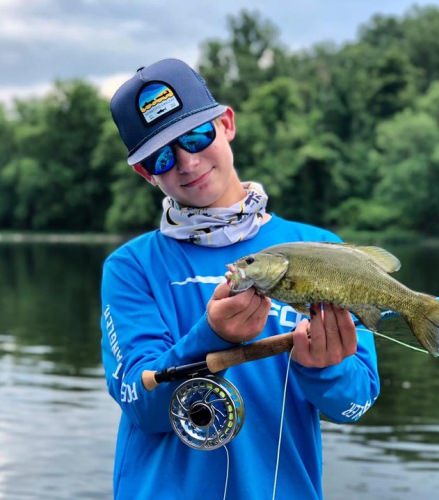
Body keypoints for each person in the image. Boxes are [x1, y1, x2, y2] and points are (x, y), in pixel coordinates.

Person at [101, 58, 380, 500]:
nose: (187, 162)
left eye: (196, 136)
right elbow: (143, 407)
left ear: (226, 124)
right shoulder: (131, 267)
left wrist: (325, 368)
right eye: (161, 156)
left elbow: (356, 403)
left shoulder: (322, 247)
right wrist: (210, 336)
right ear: (144, 173)